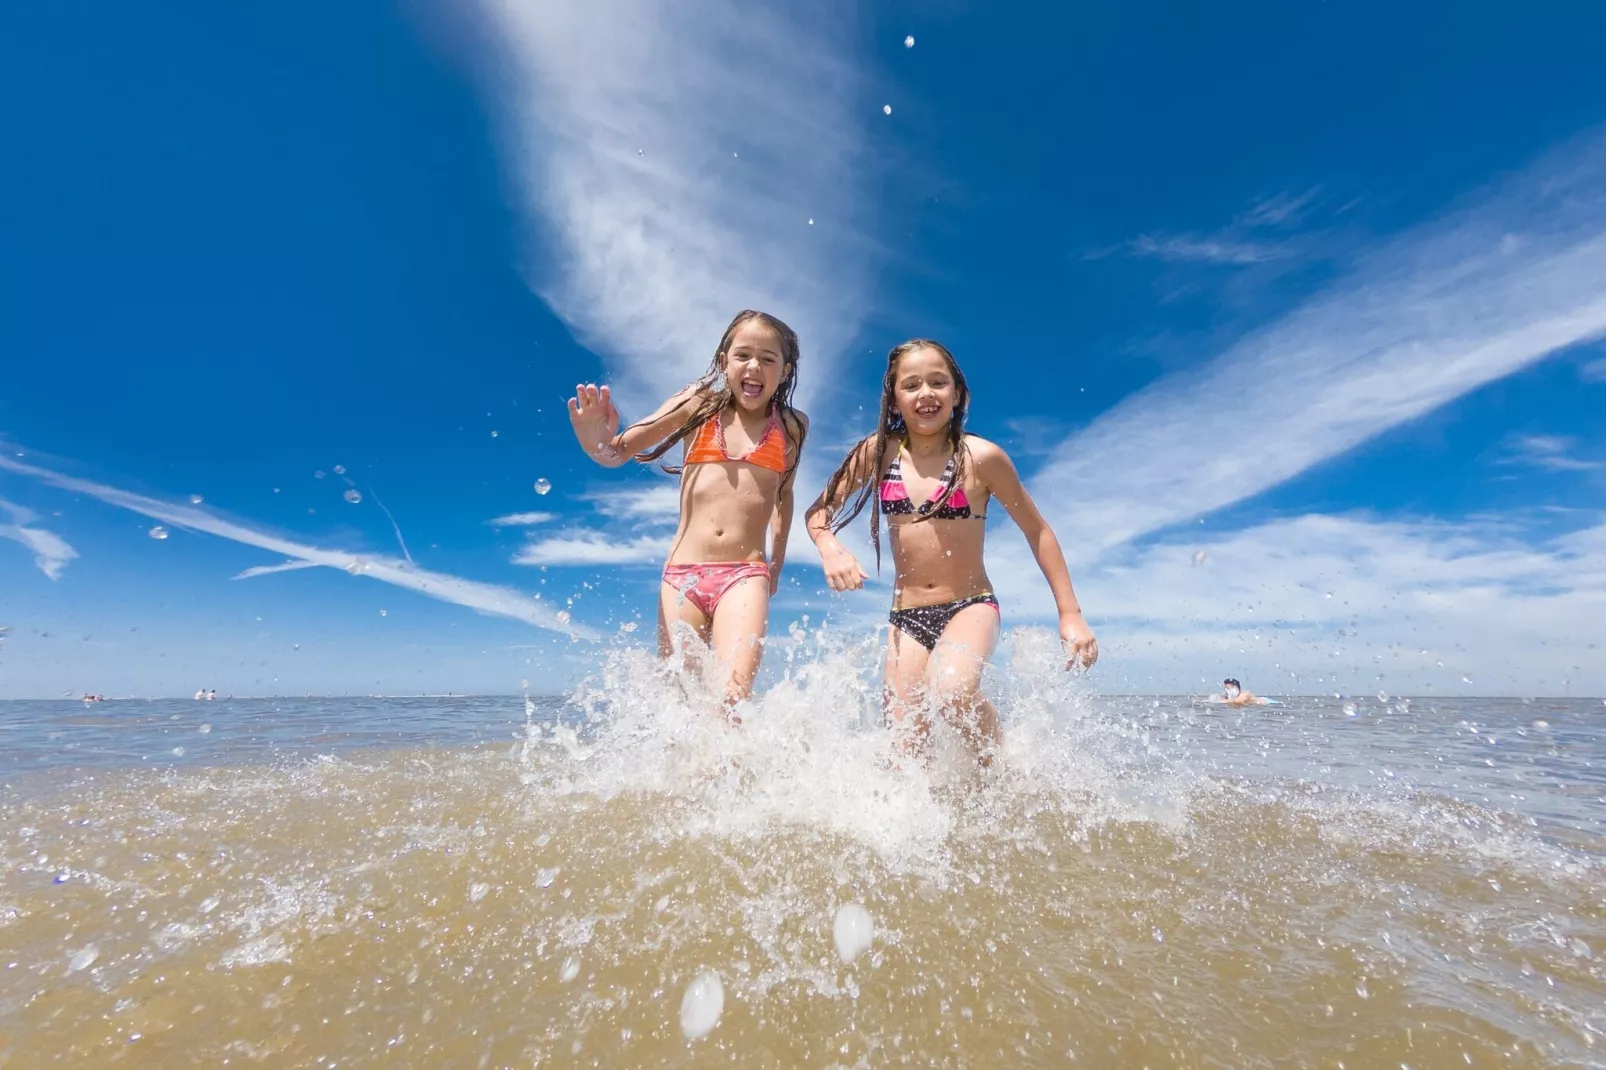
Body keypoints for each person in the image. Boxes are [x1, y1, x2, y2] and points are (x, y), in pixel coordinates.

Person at [805, 338, 1096, 762]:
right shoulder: (878, 452)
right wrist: (829, 546)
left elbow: (1038, 531)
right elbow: (819, 511)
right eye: (912, 385)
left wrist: (1070, 614)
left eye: (938, 382)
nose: (926, 393)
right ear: (894, 398)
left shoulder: (982, 457)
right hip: (905, 616)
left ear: (956, 393)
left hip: (970, 605)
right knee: (906, 747)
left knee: (952, 694)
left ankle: (998, 766)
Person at [568, 310, 809, 719]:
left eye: (768, 359)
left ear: (784, 371)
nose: (754, 366)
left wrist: (777, 565)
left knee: (732, 700)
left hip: (745, 574)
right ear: (723, 362)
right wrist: (593, 439)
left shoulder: (791, 426)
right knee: (683, 709)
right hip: (682, 576)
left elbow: (783, 498)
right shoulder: (697, 405)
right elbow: (617, 452)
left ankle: (735, 780)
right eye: (743, 355)